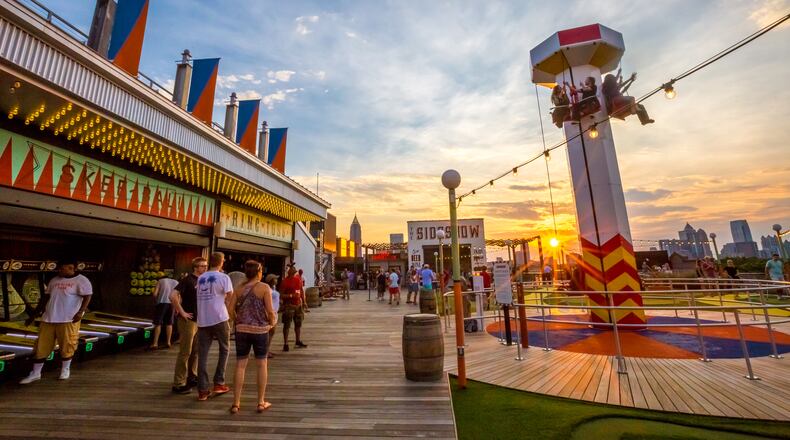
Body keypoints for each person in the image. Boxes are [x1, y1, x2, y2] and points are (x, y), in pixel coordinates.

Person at [19, 259, 92, 384]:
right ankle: (36, 373)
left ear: (72, 268)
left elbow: (87, 296)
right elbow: (45, 298)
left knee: (67, 345)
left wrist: (81, 312)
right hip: (48, 318)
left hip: (68, 319)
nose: (60, 270)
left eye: (63, 268)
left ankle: (65, 370)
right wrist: (33, 315)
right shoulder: (54, 280)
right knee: (41, 345)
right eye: (60, 268)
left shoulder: (82, 280)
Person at [228, 260, 277, 414]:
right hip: (260, 330)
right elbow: (270, 311)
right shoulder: (264, 288)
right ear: (259, 272)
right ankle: (260, 402)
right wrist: (272, 323)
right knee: (262, 364)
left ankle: (236, 403)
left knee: (240, 365)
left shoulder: (239, 288)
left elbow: (230, 309)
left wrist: (238, 320)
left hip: (242, 329)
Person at [195, 252, 233, 401]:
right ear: (221, 262)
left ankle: (202, 390)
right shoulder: (224, 277)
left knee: (203, 354)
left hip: (203, 319)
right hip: (219, 317)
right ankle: (219, 382)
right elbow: (230, 296)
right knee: (224, 349)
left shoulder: (201, 278)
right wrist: (229, 310)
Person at [170, 257, 207, 394]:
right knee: (185, 352)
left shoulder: (203, 280)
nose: (205, 268)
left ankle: (192, 376)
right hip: (188, 321)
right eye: (202, 266)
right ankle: (178, 383)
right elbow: (173, 295)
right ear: (195, 267)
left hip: (199, 320)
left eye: (206, 265)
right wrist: (182, 312)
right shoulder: (187, 280)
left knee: (195, 351)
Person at [281, 266, 307, 351]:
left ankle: (298, 340)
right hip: (289, 305)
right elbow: (281, 295)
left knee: (298, 324)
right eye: (293, 270)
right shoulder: (285, 281)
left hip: (298, 305)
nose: (295, 272)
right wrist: (291, 295)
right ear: (289, 272)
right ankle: (286, 343)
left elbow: (301, 290)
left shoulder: (298, 280)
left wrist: (304, 301)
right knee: (287, 325)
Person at [150, 274, 178, 350]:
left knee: (158, 323)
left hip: (162, 303)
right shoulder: (176, 282)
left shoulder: (160, 281)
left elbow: (155, 294)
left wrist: (156, 300)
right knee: (169, 323)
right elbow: (178, 295)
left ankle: (155, 343)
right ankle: (168, 342)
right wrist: (177, 307)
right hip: (172, 304)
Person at [264, 273, 281, 359]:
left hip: (275, 312)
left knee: (272, 332)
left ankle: (267, 349)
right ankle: (265, 351)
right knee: (269, 333)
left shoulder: (273, 288)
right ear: (271, 281)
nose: (277, 280)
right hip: (271, 312)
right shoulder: (268, 290)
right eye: (275, 279)